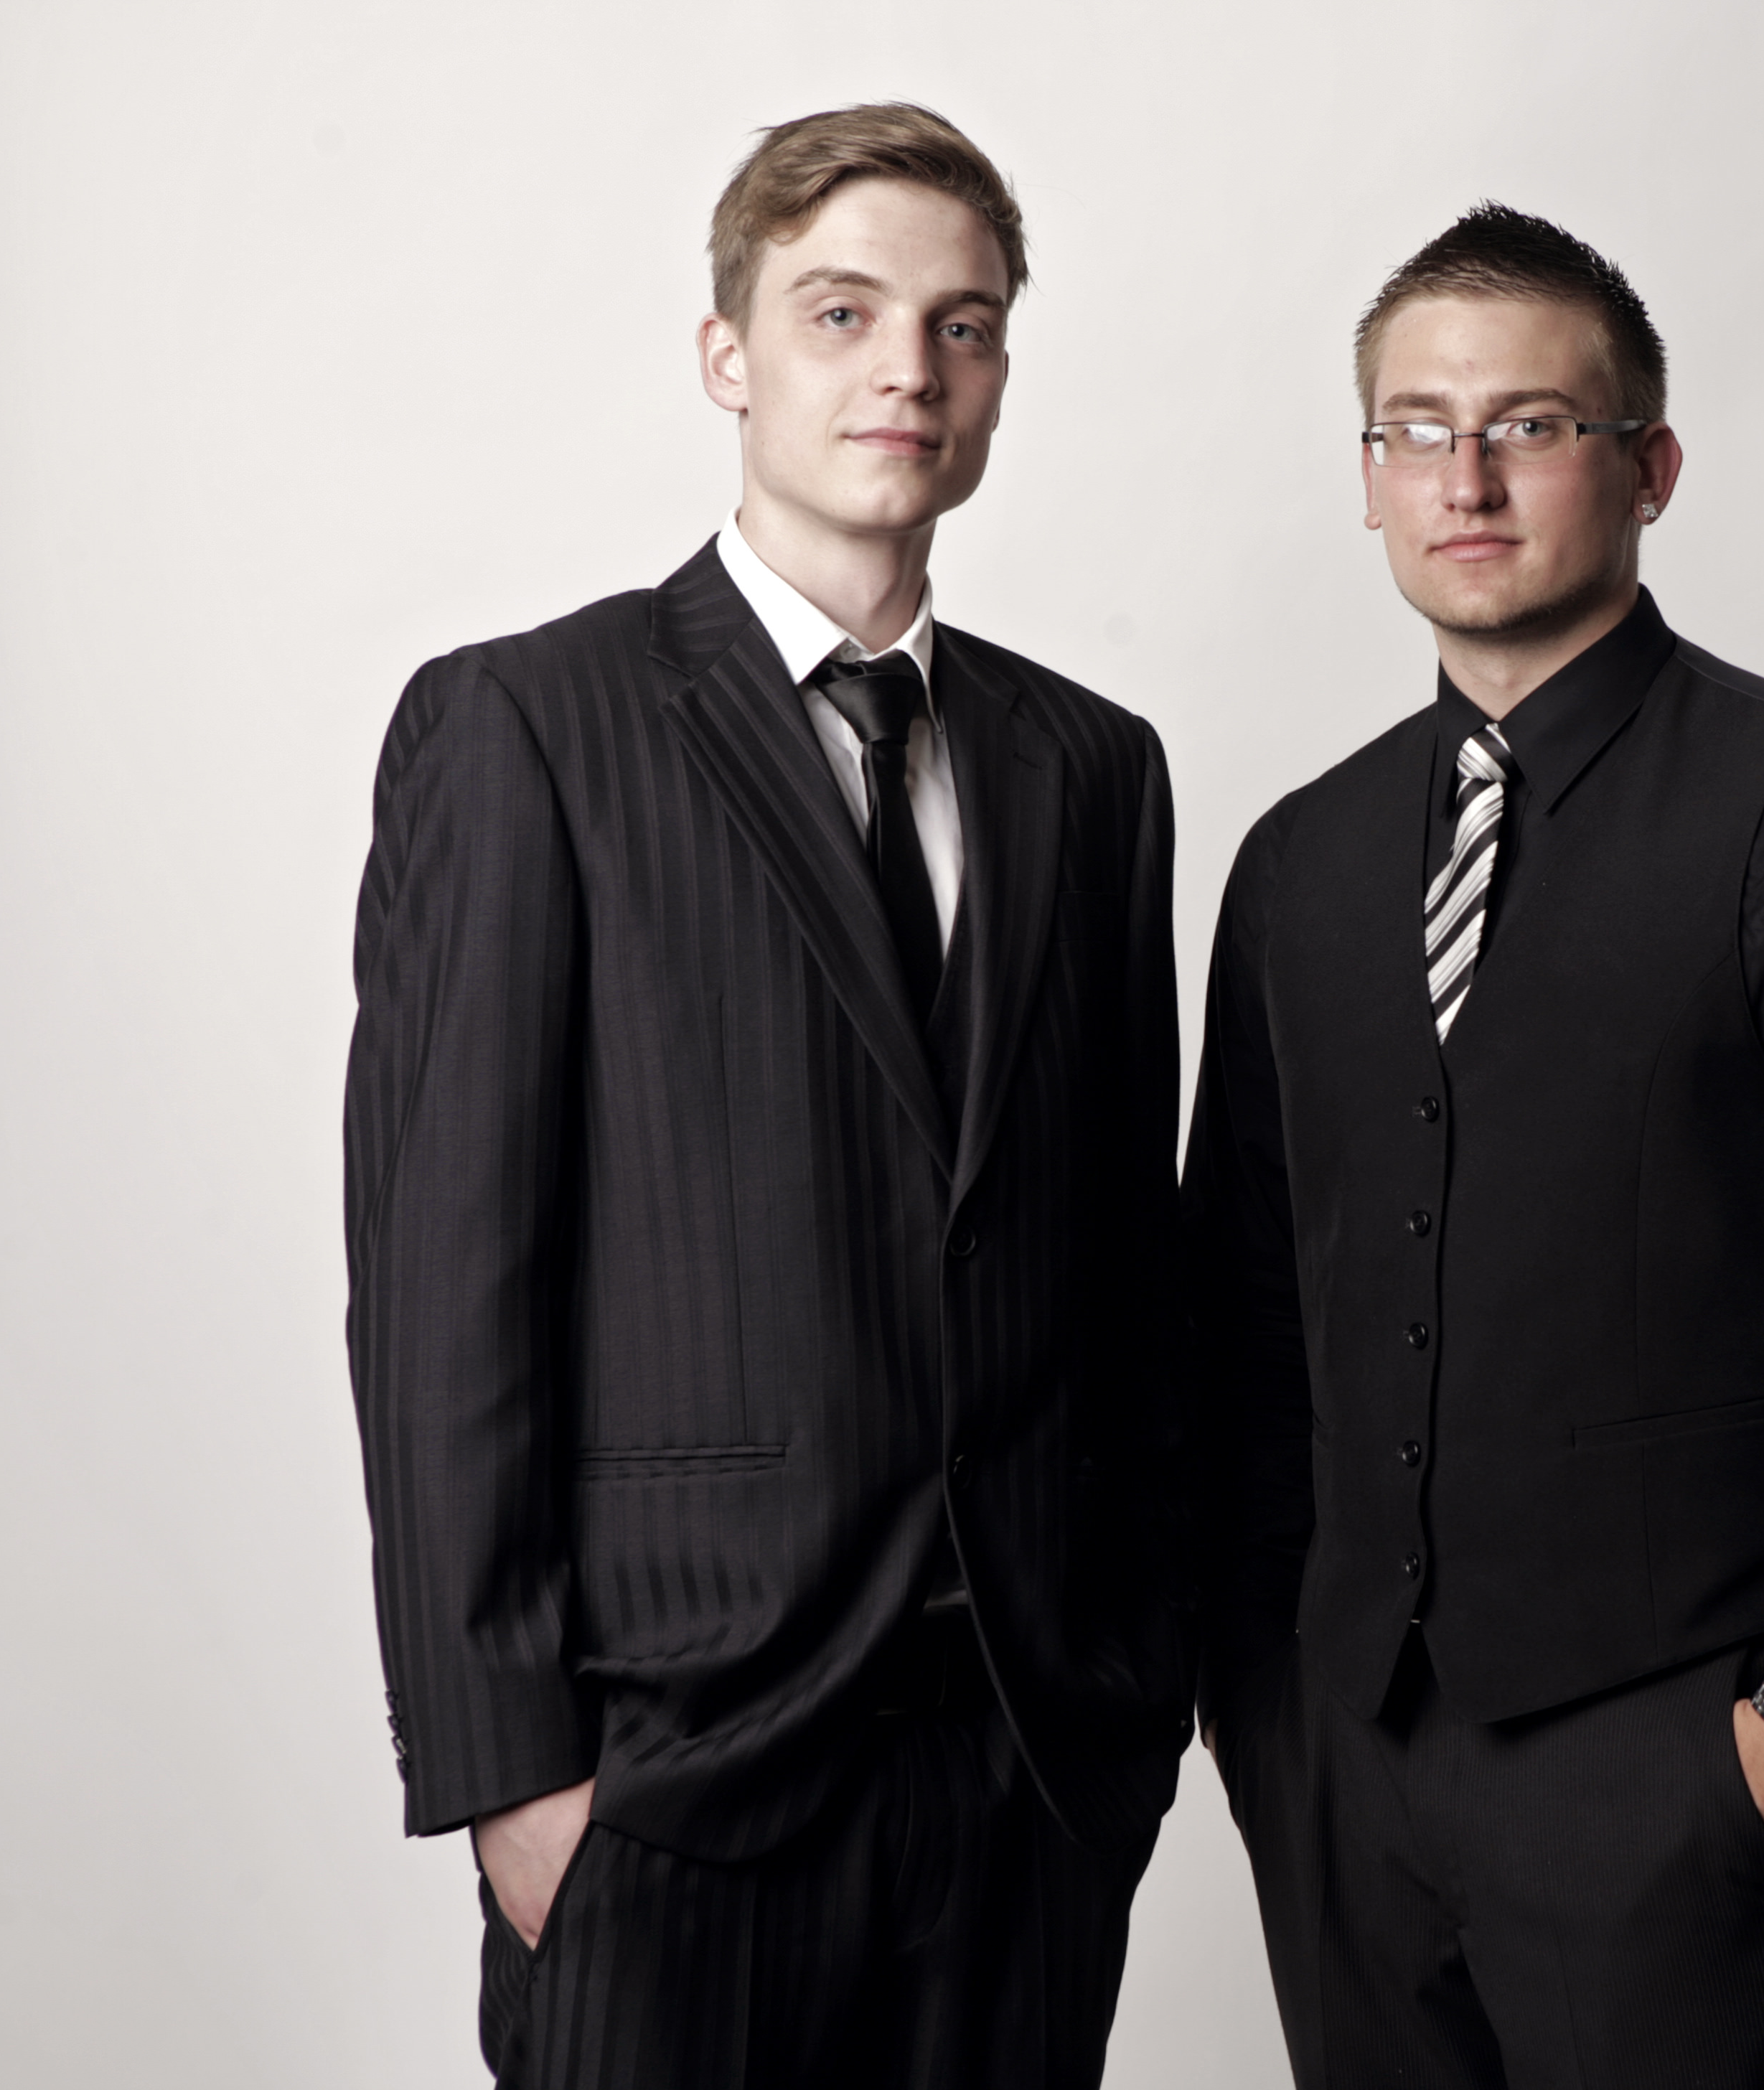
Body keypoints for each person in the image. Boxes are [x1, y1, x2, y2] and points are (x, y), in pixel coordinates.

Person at [1183, 202, 1764, 2088]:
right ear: (1369, 477)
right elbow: (1249, 1326)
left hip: (1684, 1769)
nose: (1467, 479)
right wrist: (1266, 1724)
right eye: (1419, 429)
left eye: (1530, 425)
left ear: (1650, 468)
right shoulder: (1300, 863)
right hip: (1347, 1777)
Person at [342, 103, 1186, 2089]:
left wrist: (1134, 1707)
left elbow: (1122, 1266)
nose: (910, 369)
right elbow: (446, 1282)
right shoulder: (528, 725)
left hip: (1022, 1774)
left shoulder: (1093, 768)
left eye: (964, 325)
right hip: (669, 1776)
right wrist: (510, 1771)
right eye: (842, 313)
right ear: (729, 354)